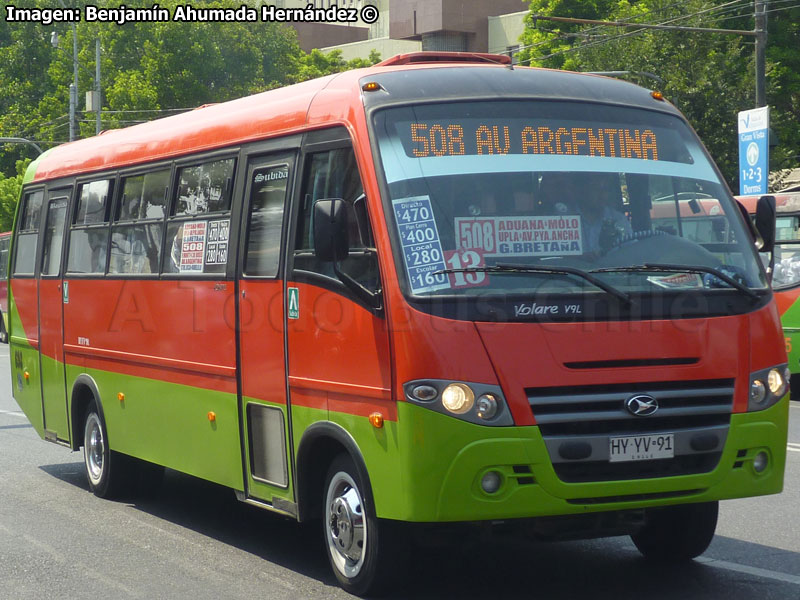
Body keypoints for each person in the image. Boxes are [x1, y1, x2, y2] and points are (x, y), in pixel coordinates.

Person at [574, 172, 632, 254]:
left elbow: (630, 253)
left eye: (605, 189)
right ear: (582, 190)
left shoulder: (619, 220)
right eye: (595, 189)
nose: (602, 195)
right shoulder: (564, 218)